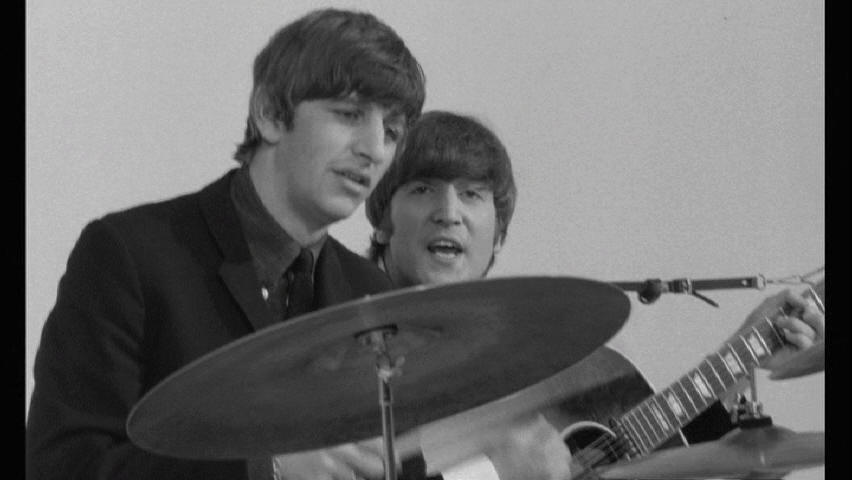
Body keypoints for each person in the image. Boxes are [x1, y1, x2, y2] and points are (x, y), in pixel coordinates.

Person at [26, 8, 427, 480]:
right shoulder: (128, 254)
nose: (375, 149)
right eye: (349, 115)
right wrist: (267, 470)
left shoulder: (372, 292)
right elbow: (62, 464)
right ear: (270, 114)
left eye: (392, 132)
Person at [363, 110, 825, 479]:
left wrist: (741, 361)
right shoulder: (344, 354)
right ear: (382, 221)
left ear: (499, 236)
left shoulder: (562, 362)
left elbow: (678, 459)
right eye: (423, 189)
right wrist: (494, 473)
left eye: (471, 195)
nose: (448, 212)